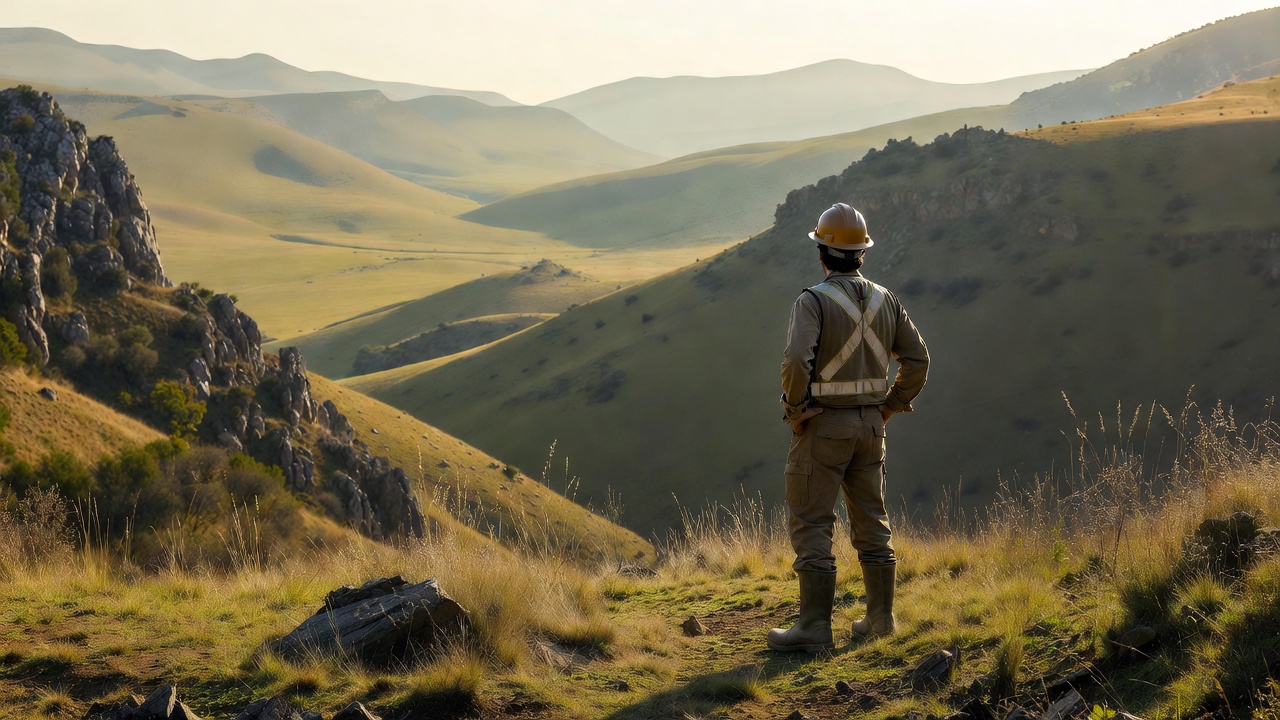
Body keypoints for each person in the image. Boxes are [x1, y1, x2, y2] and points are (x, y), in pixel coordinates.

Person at [767, 202, 930, 653]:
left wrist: (796, 410)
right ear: (863, 254)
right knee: (873, 521)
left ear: (822, 251)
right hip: (872, 428)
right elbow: (918, 360)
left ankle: (814, 628)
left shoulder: (812, 300)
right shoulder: (887, 299)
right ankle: (880, 621)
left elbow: (796, 359)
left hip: (823, 427)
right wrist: (891, 406)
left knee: (812, 522)